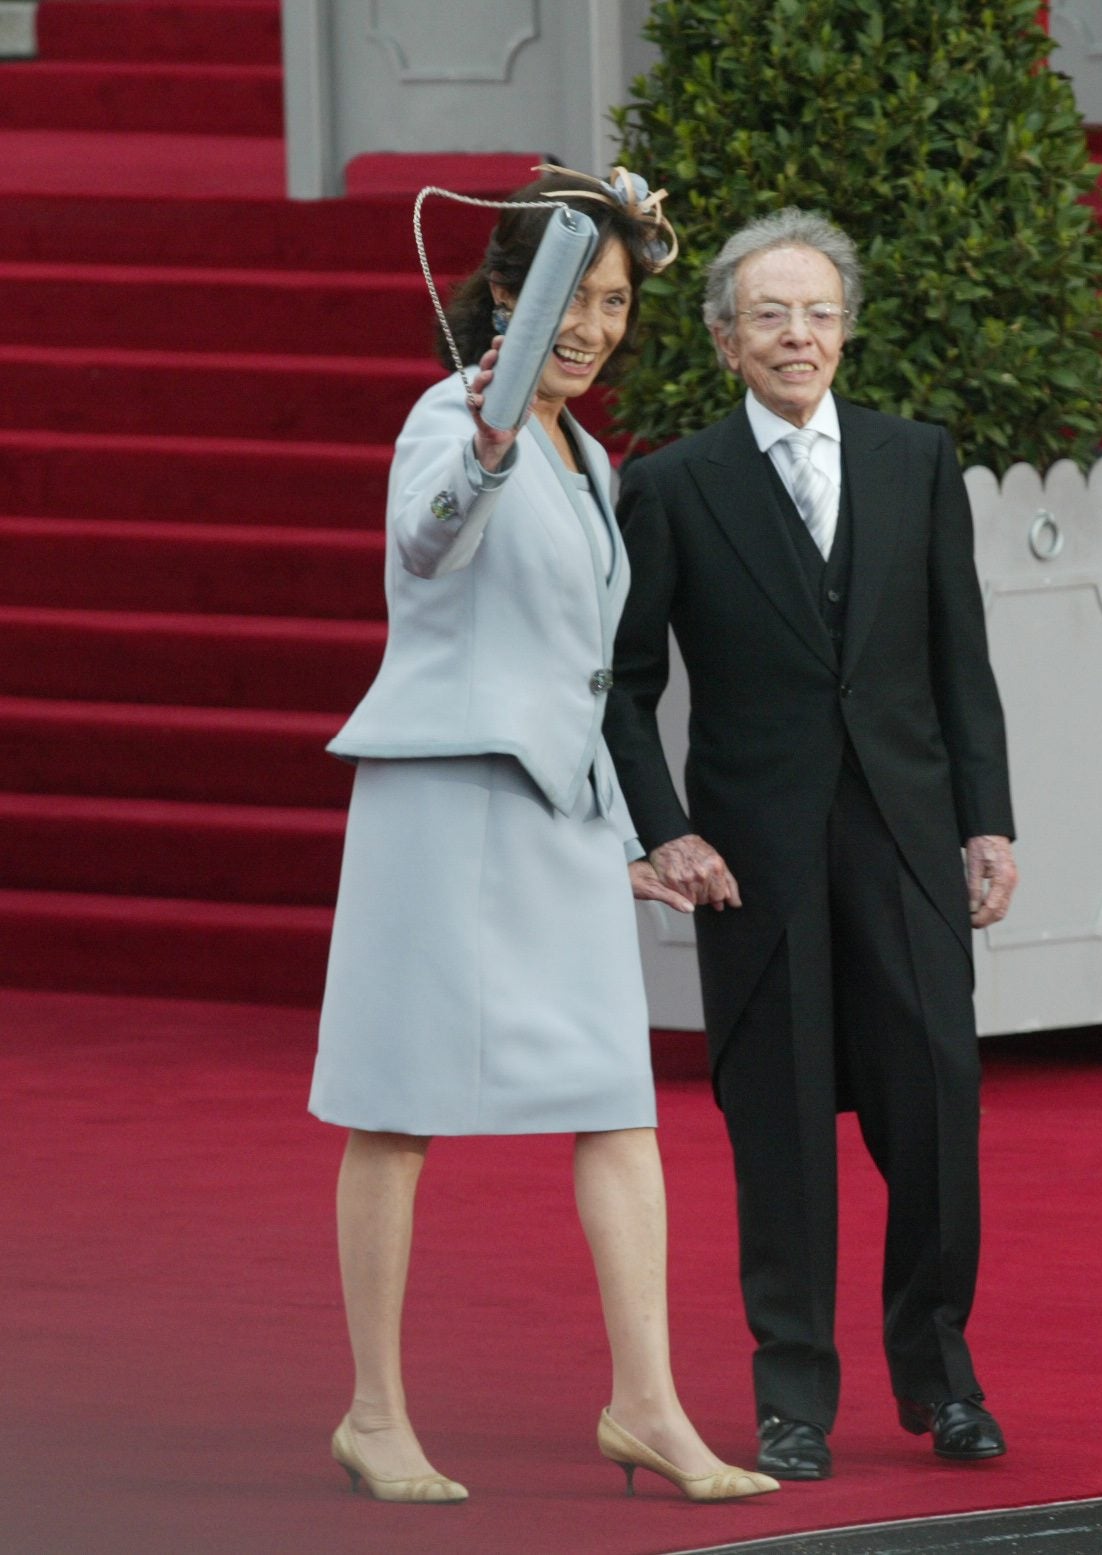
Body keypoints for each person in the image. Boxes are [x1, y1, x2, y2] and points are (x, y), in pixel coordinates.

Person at [307, 167, 778, 1506]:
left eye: (616, 304)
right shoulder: (450, 416)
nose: (592, 327)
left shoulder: (594, 458)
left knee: (615, 1100)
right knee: (396, 1106)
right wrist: (487, 448)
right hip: (441, 802)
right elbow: (426, 542)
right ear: (508, 296)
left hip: (561, 816)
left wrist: (628, 829)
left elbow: (584, 669)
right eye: (572, 297)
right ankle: (374, 1415)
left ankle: (647, 1406)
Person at [604, 209, 1019, 1481]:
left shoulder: (915, 459)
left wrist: (986, 821)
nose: (797, 335)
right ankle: (790, 1400)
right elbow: (621, 684)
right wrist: (664, 829)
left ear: (846, 330)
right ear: (723, 340)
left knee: (934, 1113)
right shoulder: (672, 485)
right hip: (756, 861)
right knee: (779, 1134)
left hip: (905, 841)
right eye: (769, 315)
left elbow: (960, 661)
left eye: (818, 312)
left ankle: (942, 1382)